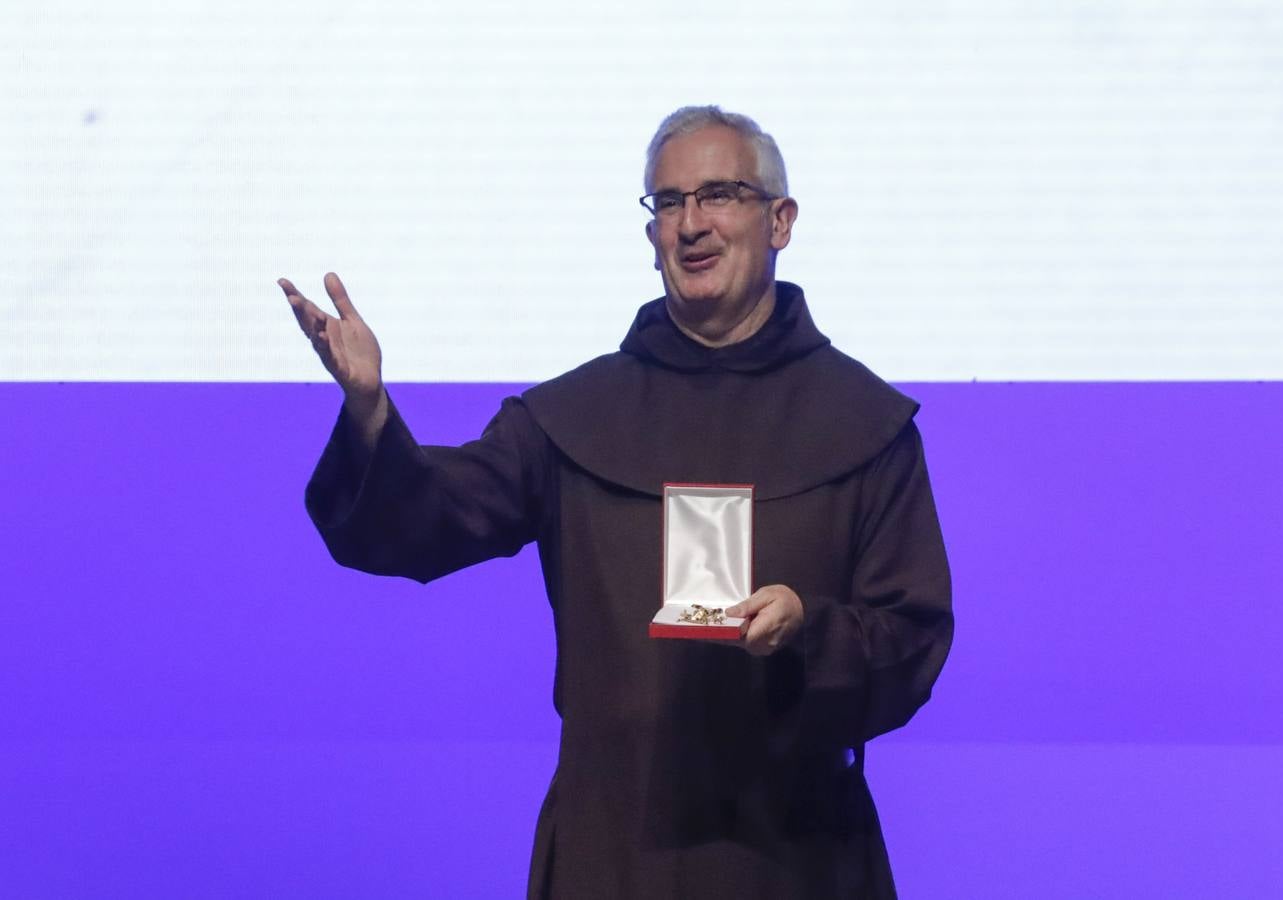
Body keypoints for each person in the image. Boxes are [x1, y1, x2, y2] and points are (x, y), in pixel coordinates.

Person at [281, 105, 953, 900]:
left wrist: (809, 630)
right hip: (615, 851)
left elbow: (910, 640)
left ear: (780, 221)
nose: (691, 225)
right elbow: (422, 525)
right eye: (668, 203)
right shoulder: (572, 418)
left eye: (719, 195)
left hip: (797, 855)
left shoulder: (863, 424)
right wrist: (370, 411)